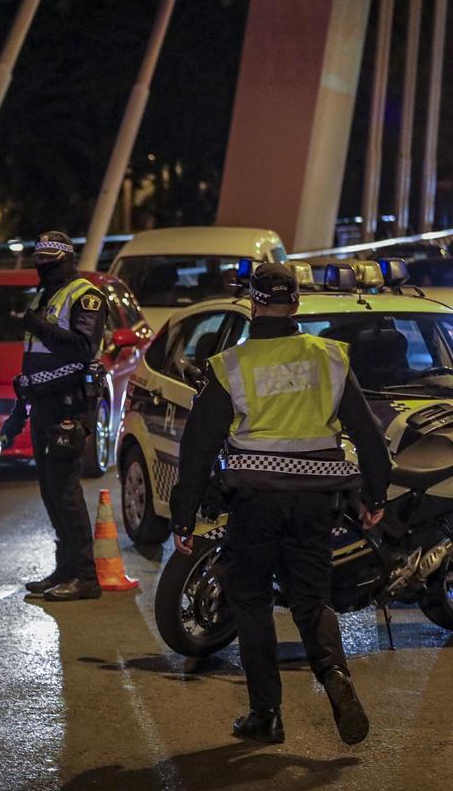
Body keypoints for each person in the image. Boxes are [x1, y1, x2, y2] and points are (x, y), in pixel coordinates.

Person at [169, 261, 391, 746]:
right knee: (311, 600)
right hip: (315, 504)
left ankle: (266, 714)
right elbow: (369, 435)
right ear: (295, 304)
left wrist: (183, 516)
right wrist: (375, 494)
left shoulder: (231, 365)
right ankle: (334, 674)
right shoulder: (329, 359)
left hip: (254, 503)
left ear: (253, 304)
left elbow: (198, 447)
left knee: (249, 601)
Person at [0, 231, 108, 602]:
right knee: (49, 489)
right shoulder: (44, 294)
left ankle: (84, 576)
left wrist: (39, 326)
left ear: (66, 259)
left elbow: (83, 347)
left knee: (64, 491)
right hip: (44, 402)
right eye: (38, 260)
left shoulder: (86, 295)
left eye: (50, 260)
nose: (42, 266)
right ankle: (65, 569)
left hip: (69, 404)